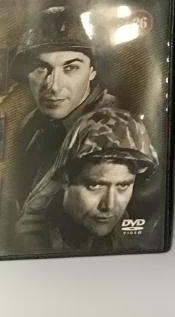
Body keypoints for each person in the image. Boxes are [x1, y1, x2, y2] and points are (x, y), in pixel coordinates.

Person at [10, 4, 118, 210]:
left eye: (70, 68)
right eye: (41, 68)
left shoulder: (116, 128)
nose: (53, 86)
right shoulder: (33, 123)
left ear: (92, 71)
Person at [15, 107, 158, 253]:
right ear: (65, 179)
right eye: (95, 185)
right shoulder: (31, 246)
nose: (109, 205)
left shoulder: (131, 237)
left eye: (123, 185)